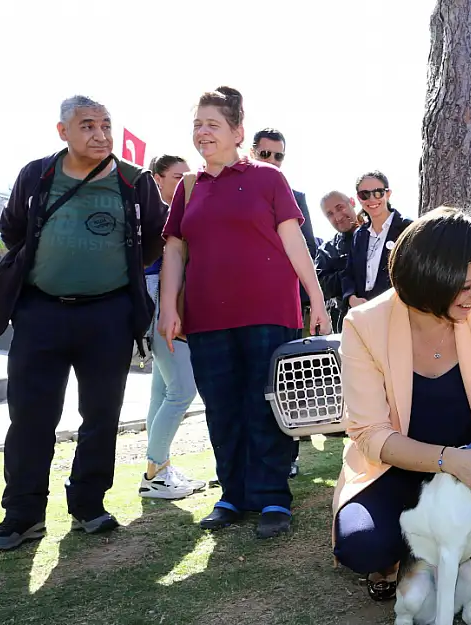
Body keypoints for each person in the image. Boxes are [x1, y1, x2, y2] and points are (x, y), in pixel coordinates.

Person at [0, 96, 167, 551]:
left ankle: (88, 505)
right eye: (87, 126)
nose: (100, 135)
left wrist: (111, 275)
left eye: (106, 125)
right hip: (40, 311)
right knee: (29, 417)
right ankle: (21, 517)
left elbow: (155, 239)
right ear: (63, 131)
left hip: (108, 314)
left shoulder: (133, 181)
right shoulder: (37, 174)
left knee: (101, 415)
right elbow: (15, 232)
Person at [158, 87, 331, 540]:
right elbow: (174, 249)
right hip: (207, 318)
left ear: (237, 131)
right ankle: (232, 494)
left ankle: (273, 495)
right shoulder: (188, 187)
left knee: (267, 404)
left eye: (212, 124)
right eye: (197, 124)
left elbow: (296, 243)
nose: (202, 132)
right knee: (221, 407)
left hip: (269, 312)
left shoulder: (268, 179)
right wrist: (168, 307)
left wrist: (315, 299)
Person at [332, 208, 471, 621]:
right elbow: (370, 434)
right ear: (432, 278)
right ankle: (406, 561)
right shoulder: (365, 324)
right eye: (468, 284)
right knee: (361, 544)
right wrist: (451, 460)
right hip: (395, 468)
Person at [138, 154, 206, 500]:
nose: (185, 183)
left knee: (162, 392)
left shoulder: (164, 213)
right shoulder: (158, 216)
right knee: (181, 391)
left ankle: (158, 467)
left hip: (160, 305)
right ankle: (155, 472)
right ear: (157, 178)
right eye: (177, 176)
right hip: (159, 306)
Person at [250, 128, 319, 335]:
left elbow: (309, 248)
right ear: (252, 153)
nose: (272, 160)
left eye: (278, 156)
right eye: (265, 154)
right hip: (243, 298)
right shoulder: (235, 194)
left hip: (284, 302)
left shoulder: (295, 197)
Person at [343, 171, 414, 307]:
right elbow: (348, 274)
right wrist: (351, 298)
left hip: (398, 312)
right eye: (364, 194)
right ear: (358, 198)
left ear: (388, 194)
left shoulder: (408, 228)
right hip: (364, 315)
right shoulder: (359, 235)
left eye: (378, 192)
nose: (372, 199)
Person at [315, 190, 360, 332]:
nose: (338, 217)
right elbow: (321, 287)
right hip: (349, 323)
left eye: (340, 208)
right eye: (330, 214)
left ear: (352, 202)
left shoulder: (380, 234)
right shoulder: (327, 250)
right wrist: (350, 272)